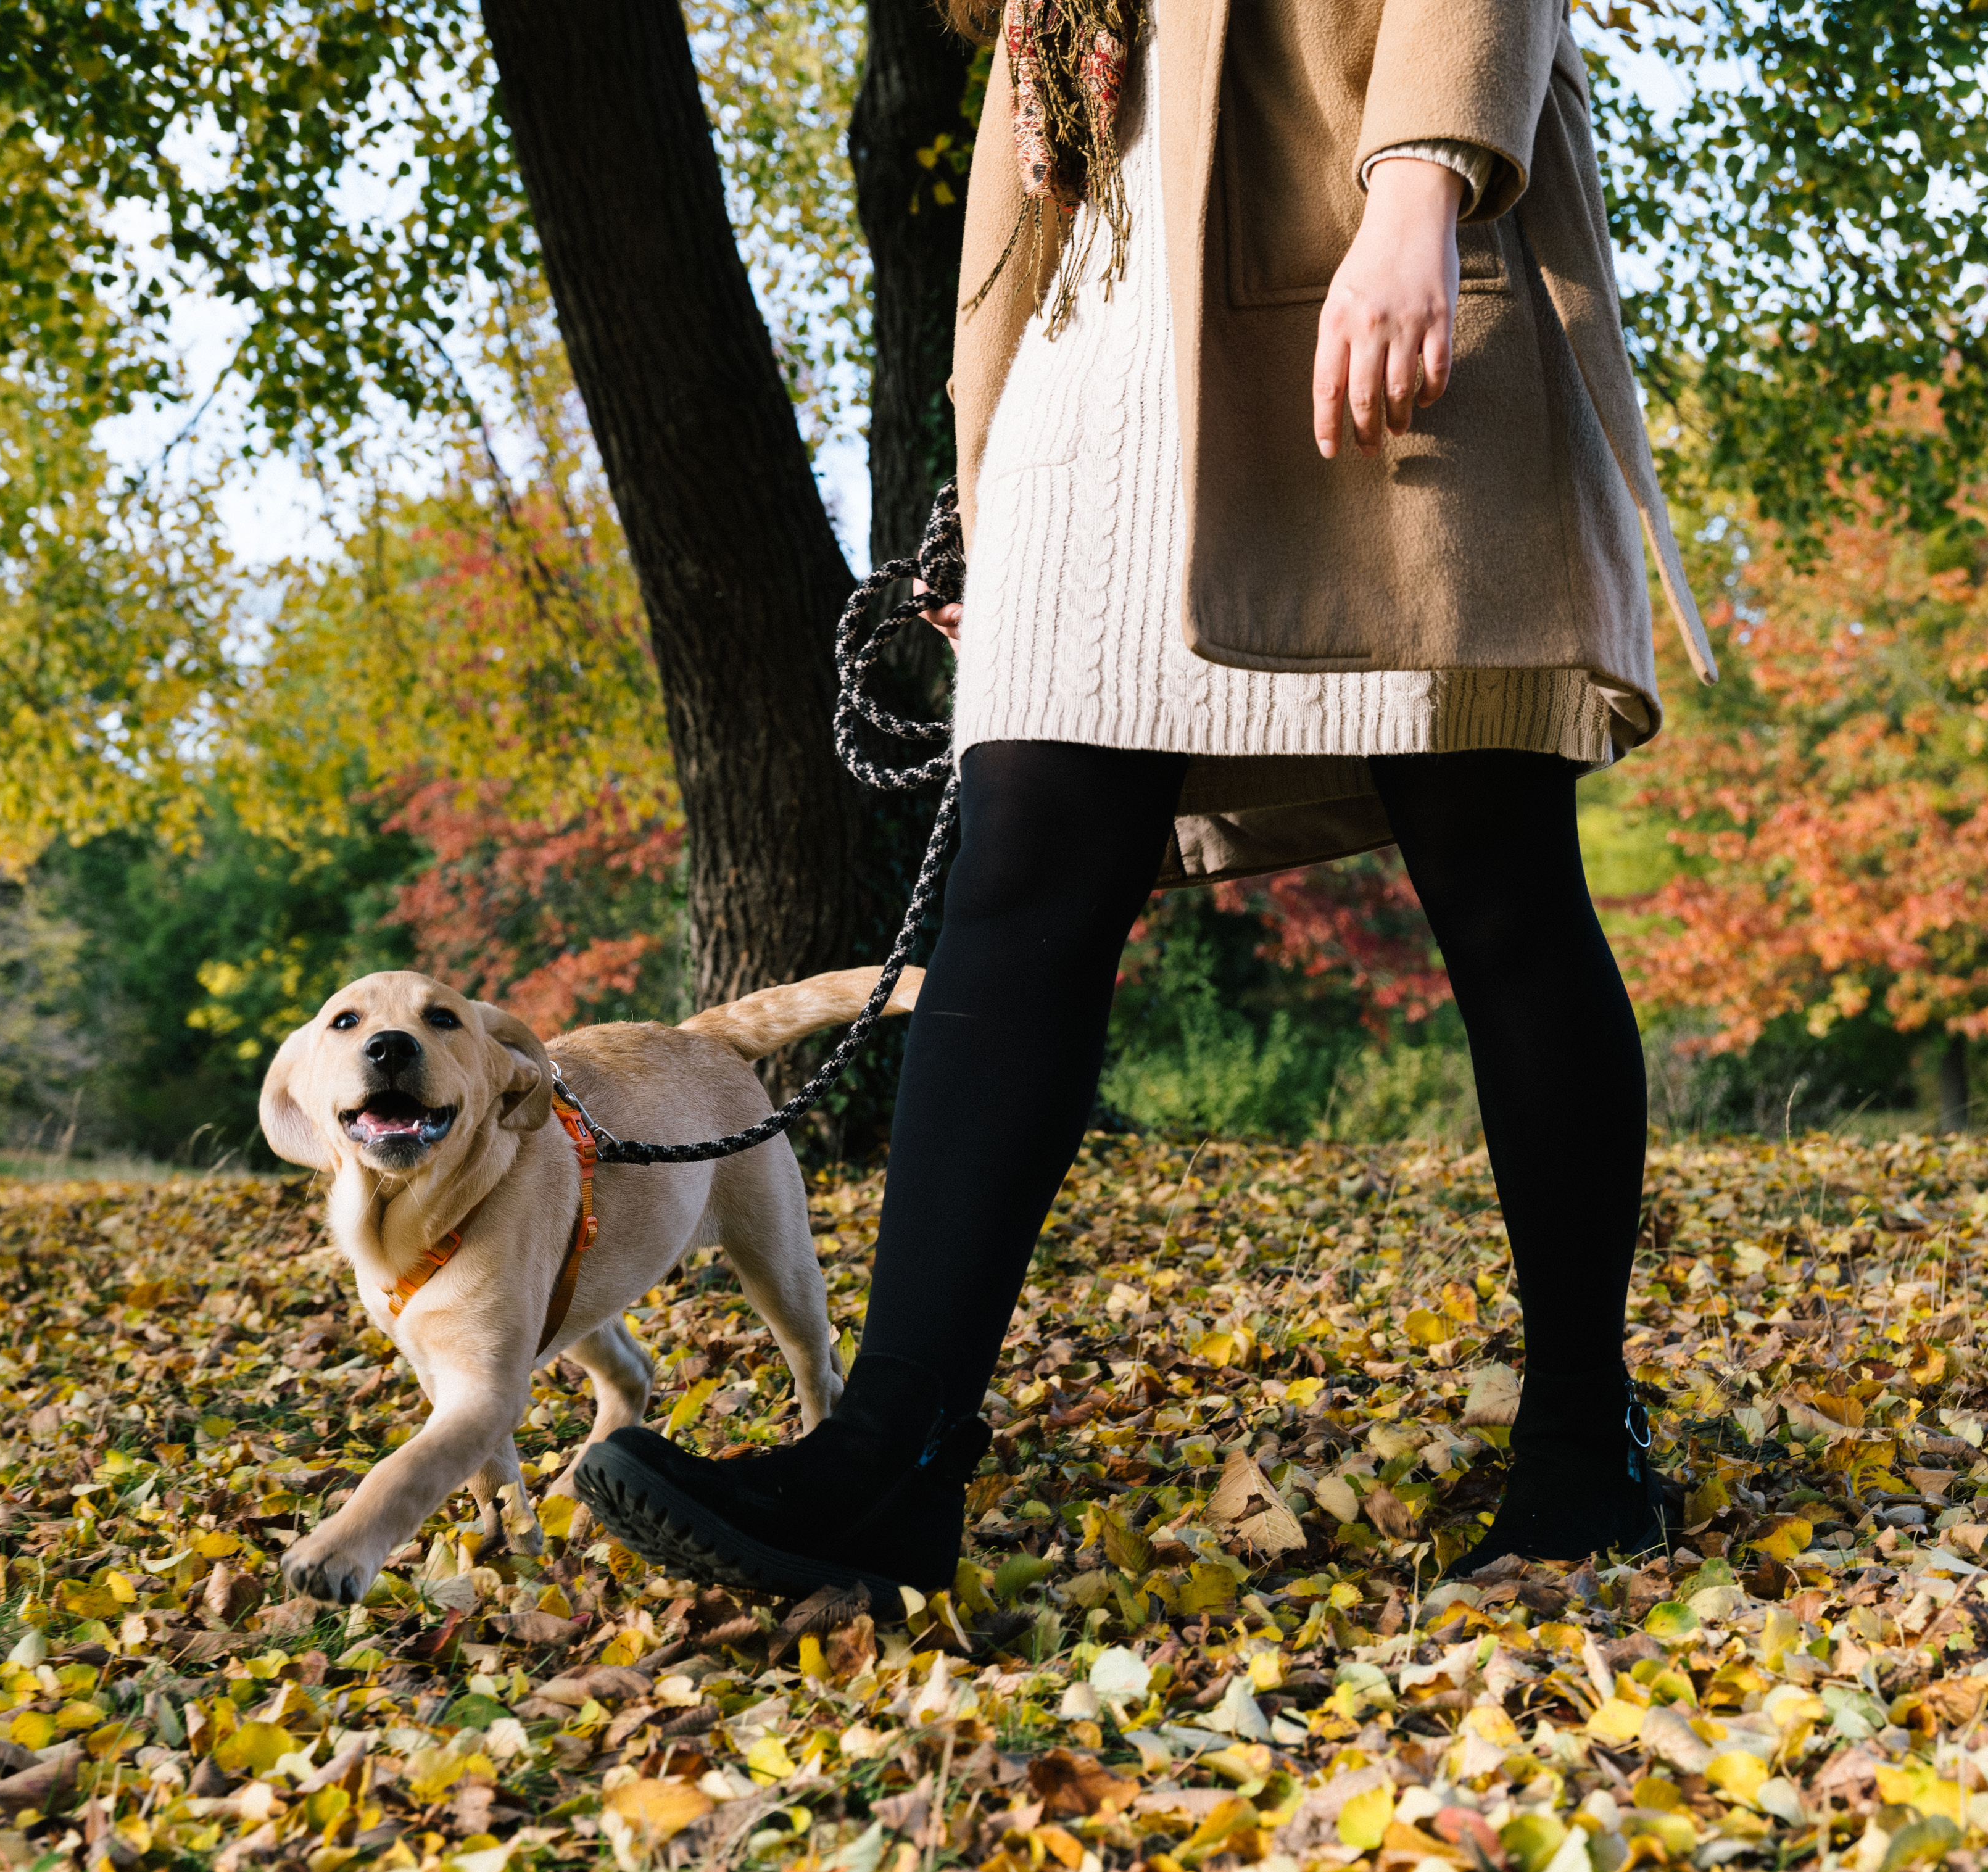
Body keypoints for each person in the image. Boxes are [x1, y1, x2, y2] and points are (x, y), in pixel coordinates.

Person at [577, 0, 1715, 1594]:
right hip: (1097, 336)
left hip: (1368, 253)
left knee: (1499, 871)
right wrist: (983, 466)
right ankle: (889, 1458)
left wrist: (1422, 186)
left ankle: (1588, 1449)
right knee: (1020, 872)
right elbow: (1035, 95)